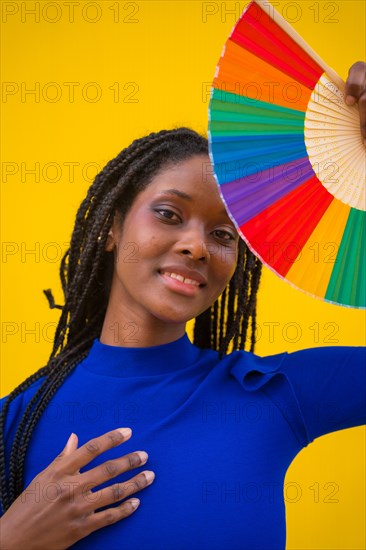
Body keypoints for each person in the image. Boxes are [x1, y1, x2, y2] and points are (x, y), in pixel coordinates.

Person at [0, 62, 365, 550]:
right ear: (112, 227)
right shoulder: (15, 422)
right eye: (169, 214)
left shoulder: (275, 394)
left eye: (222, 235)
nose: (197, 247)